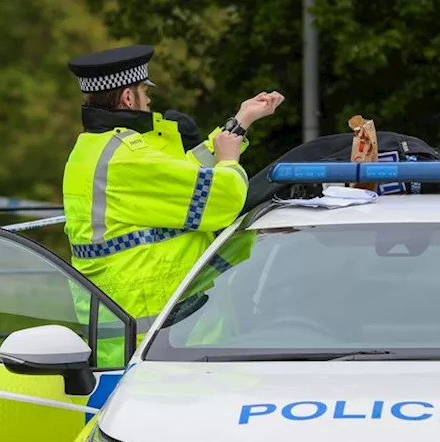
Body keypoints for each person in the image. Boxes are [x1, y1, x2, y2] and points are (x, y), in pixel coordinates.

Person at [62, 45, 282, 366]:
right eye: (143, 91)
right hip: (160, 345)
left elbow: (183, 177)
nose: (149, 100)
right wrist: (230, 159)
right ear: (127, 98)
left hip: (132, 340)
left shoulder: (95, 147)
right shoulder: (129, 157)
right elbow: (222, 199)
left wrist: (238, 124)